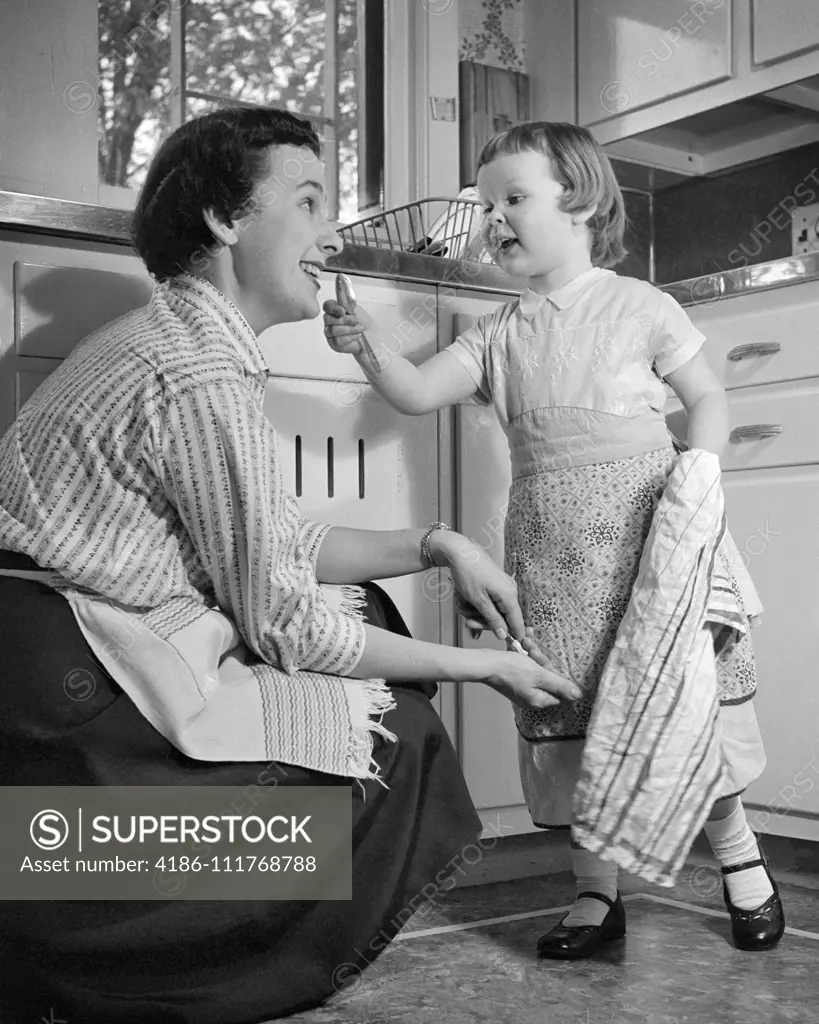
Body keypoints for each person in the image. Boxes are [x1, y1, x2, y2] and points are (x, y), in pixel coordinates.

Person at [0, 108, 582, 1024]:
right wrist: (486, 668)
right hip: (64, 683)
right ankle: (142, 966)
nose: (329, 233)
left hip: (47, 656)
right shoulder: (195, 368)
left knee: (380, 629)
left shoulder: (187, 342)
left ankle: (84, 926)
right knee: (403, 737)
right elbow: (288, 623)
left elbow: (268, 538)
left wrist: (436, 543)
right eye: (309, 202)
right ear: (227, 221)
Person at [322, 120, 785, 959]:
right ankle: (593, 897)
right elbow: (418, 392)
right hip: (555, 555)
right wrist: (366, 347)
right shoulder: (500, 332)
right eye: (486, 200)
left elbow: (709, 400)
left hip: (653, 540)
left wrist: (700, 477)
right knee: (572, 712)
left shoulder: (639, 305)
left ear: (581, 202)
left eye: (514, 198)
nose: (494, 215)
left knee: (679, 701)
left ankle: (741, 864)